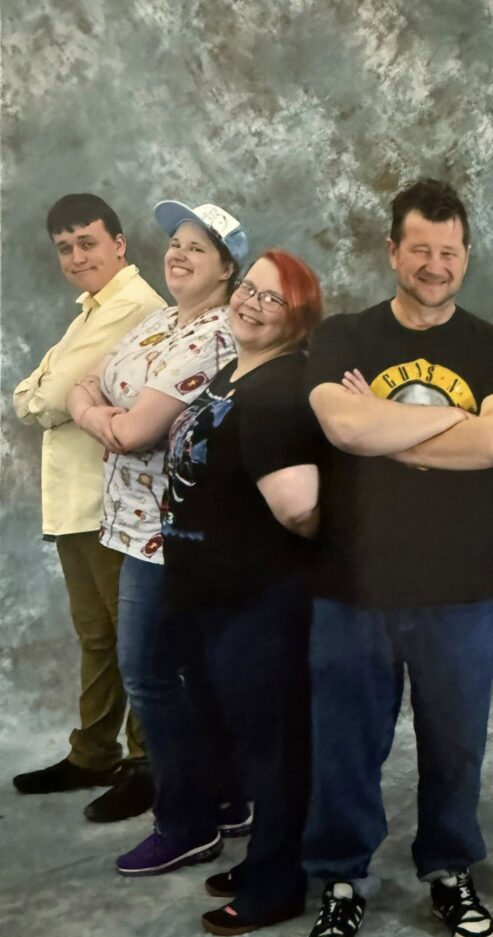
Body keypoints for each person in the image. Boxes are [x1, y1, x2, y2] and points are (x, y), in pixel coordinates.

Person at [300, 179, 493, 937]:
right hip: (353, 585)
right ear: (392, 250)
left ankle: (449, 869)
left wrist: (386, 430)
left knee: (457, 745)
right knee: (344, 747)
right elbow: (341, 423)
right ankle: (340, 879)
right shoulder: (343, 335)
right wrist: (457, 420)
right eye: (420, 249)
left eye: (450, 251)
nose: (436, 265)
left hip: (463, 588)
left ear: (467, 256)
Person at [67, 200, 247, 873]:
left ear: (226, 269)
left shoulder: (218, 334)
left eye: (198, 248)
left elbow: (134, 429)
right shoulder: (160, 322)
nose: (178, 254)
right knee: (190, 672)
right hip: (132, 526)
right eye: (175, 242)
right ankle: (224, 798)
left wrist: (95, 409)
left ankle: (185, 823)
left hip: (169, 534)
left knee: (148, 674)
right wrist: (102, 409)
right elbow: (90, 385)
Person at [156, 249, 323, 934]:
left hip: (261, 601)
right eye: (249, 288)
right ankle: (267, 860)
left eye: (272, 298)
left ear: (299, 318)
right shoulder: (237, 369)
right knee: (246, 743)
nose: (252, 302)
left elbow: (302, 509)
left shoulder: (282, 387)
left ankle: (277, 886)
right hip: (213, 597)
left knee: (272, 750)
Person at [12, 193, 165, 822]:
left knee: (135, 642)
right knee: (98, 637)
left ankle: (150, 762)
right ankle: (94, 752)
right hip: (78, 502)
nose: (76, 257)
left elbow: (45, 399)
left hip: (116, 504)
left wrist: (44, 397)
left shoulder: (135, 307)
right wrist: (44, 396)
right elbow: (37, 393)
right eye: (65, 248)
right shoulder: (91, 310)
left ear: (119, 244)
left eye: (88, 243)